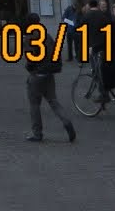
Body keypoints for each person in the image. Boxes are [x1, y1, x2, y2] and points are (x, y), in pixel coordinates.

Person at [21, 11, 75, 143]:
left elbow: (30, 58)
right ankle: (67, 122)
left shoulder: (29, 37)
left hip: (37, 74)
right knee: (53, 101)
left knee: (34, 104)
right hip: (49, 73)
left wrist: (29, 67)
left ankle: (37, 133)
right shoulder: (46, 35)